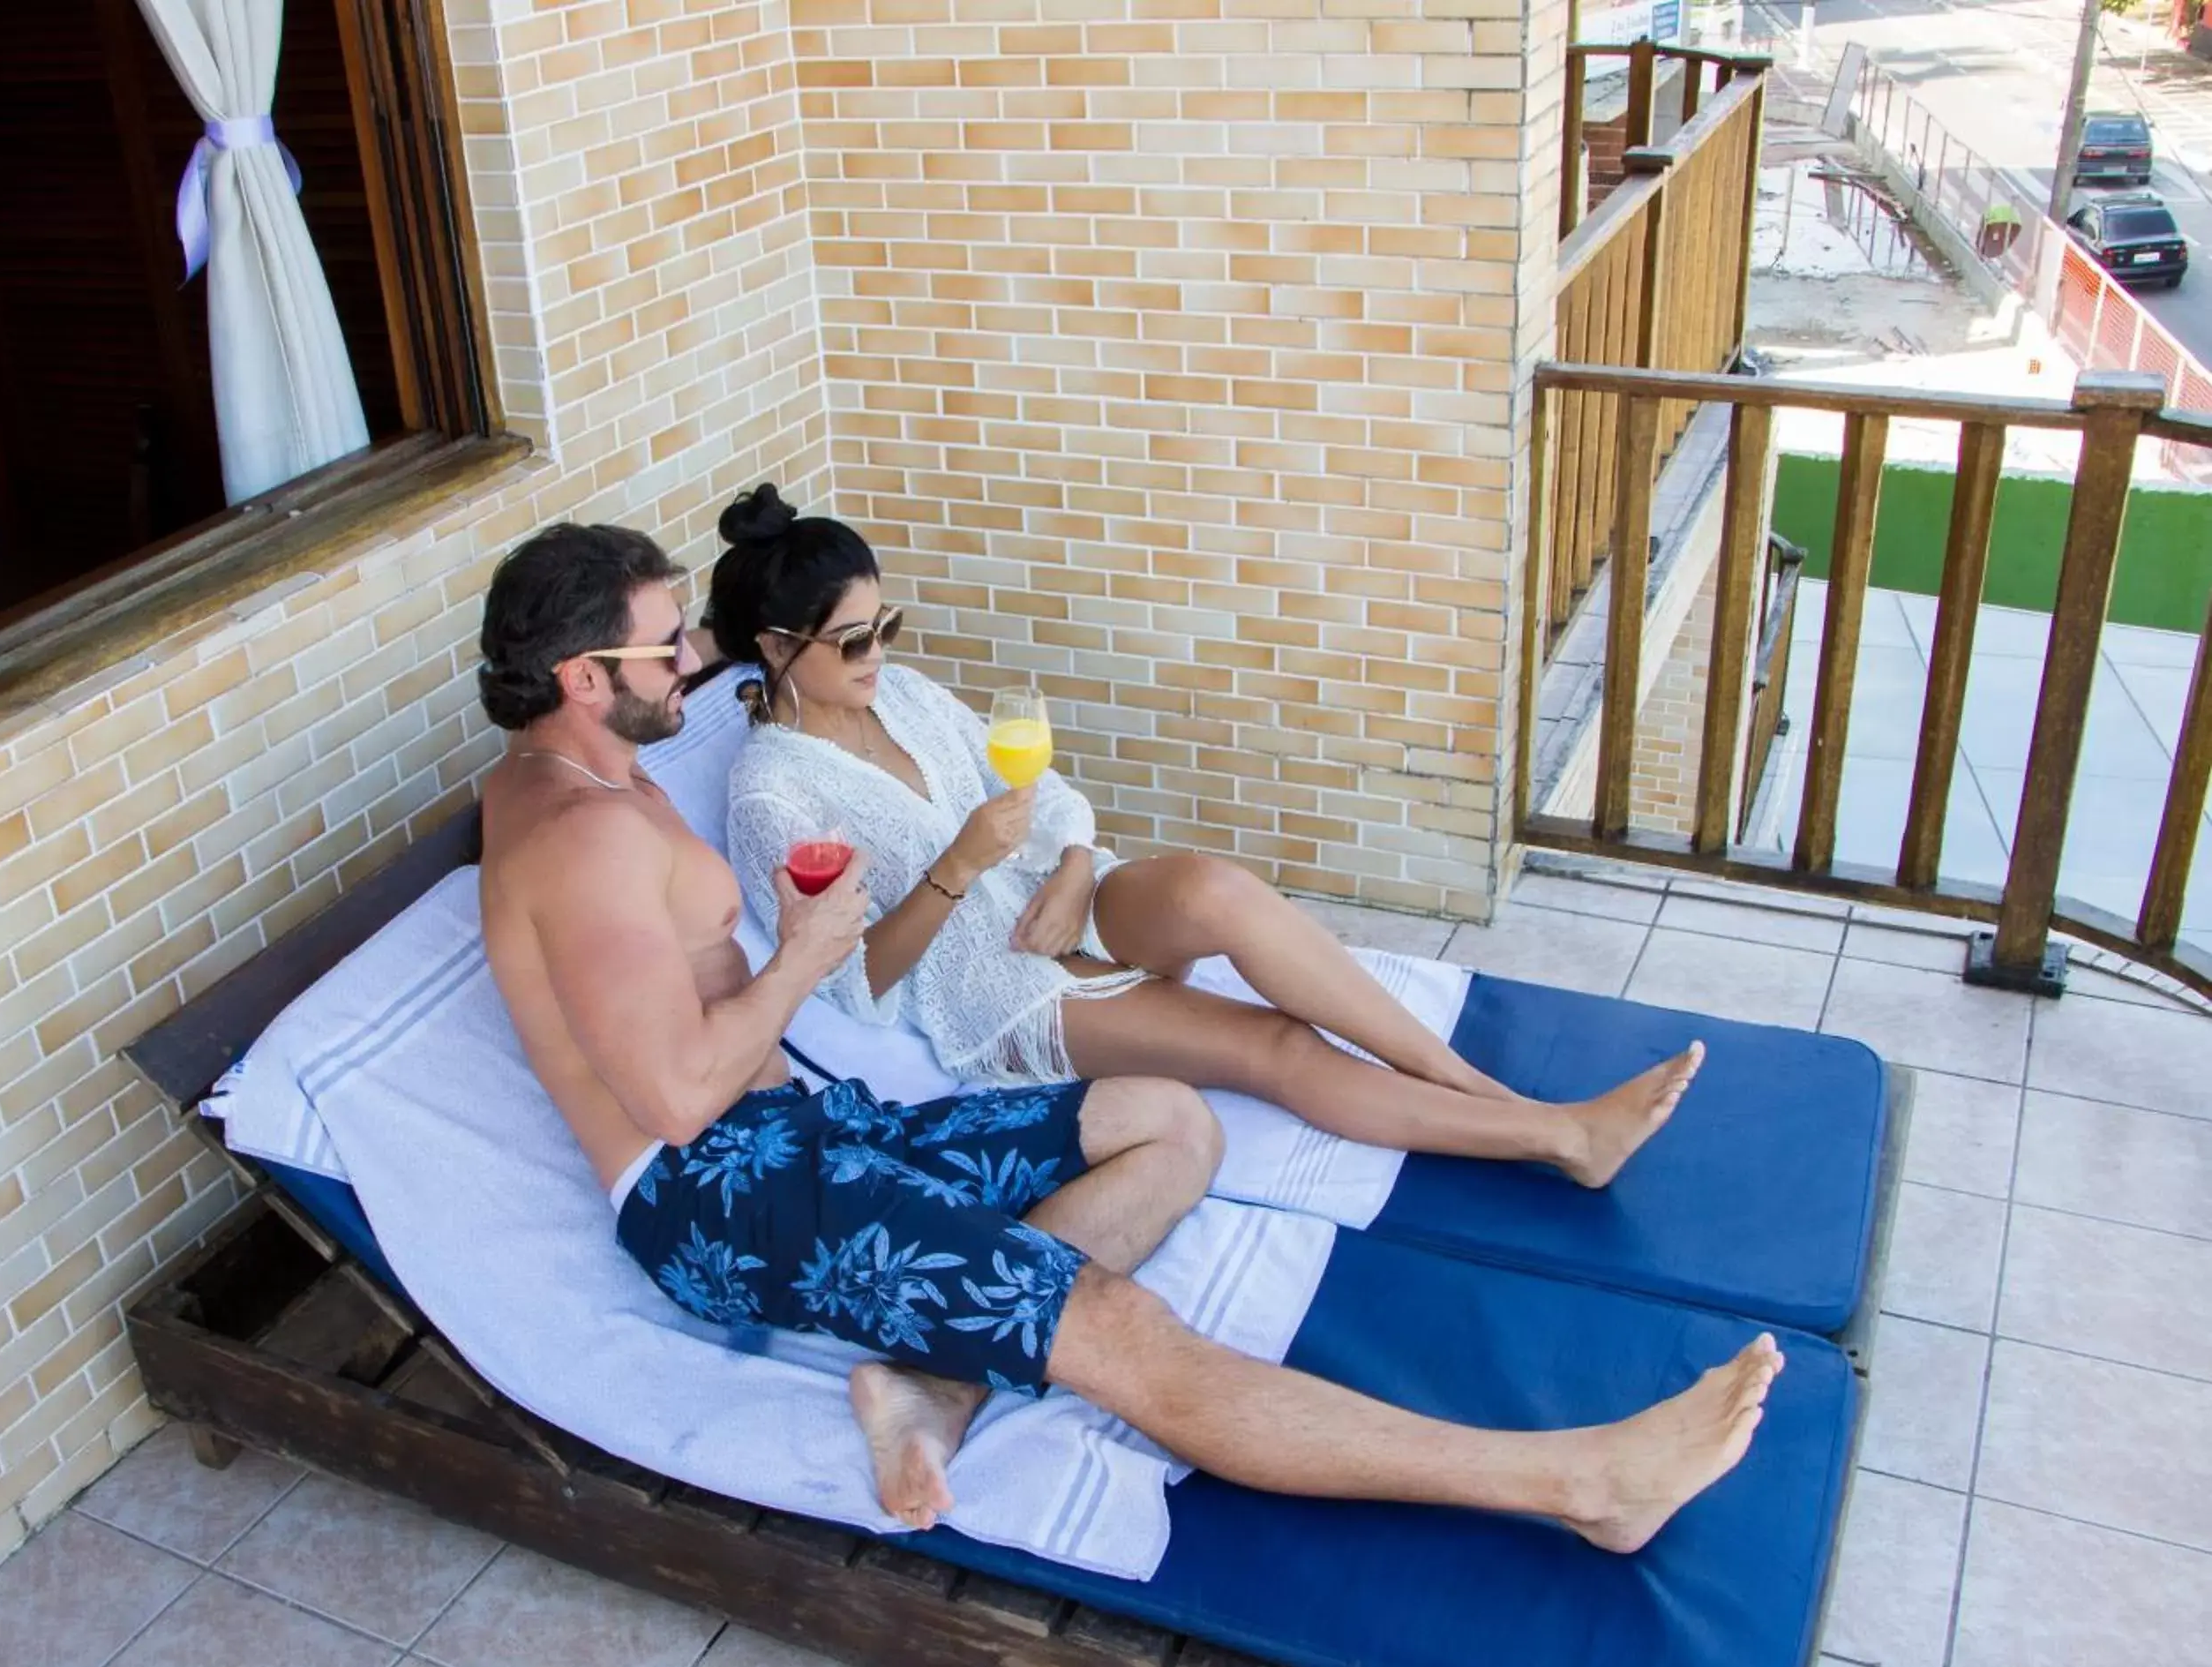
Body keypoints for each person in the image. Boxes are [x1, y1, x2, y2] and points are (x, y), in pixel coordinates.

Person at [476, 517, 1781, 1552]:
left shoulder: (594, 776)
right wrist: (810, 954)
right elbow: (675, 1092)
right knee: (1116, 1329)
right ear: (586, 680)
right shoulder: (582, 838)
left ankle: (932, 1383)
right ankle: (1581, 1482)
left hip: (803, 1134)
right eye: (667, 650)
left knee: (1170, 1115)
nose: (696, 659)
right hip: (718, 1193)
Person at [708, 484, 1703, 1187]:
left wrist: (1075, 864)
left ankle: (1468, 1082)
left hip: (1063, 906)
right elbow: (848, 986)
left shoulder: (912, 696)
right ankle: (1558, 1138)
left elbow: (1046, 792)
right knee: (1273, 1043)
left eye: (888, 625)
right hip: (1000, 986)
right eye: (853, 640)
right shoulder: (775, 795)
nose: (880, 653)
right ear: (775, 646)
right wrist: (957, 869)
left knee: (1216, 888)